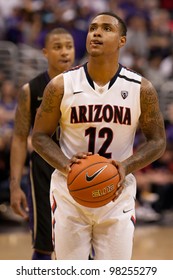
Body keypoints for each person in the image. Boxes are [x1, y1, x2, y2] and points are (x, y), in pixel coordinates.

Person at [32, 12, 166, 260]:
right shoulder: (61, 85)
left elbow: (158, 142)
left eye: (106, 28)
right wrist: (67, 166)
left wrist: (125, 167)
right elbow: (39, 136)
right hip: (70, 193)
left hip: (117, 194)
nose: (96, 32)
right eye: (93, 28)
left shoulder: (141, 88)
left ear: (122, 41)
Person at [10, 27, 75, 260]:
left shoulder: (86, 86)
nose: (65, 52)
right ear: (45, 52)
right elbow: (19, 138)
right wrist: (15, 185)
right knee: (43, 246)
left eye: (69, 46)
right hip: (43, 173)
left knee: (84, 243)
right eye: (58, 47)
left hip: (78, 169)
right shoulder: (31, 90)